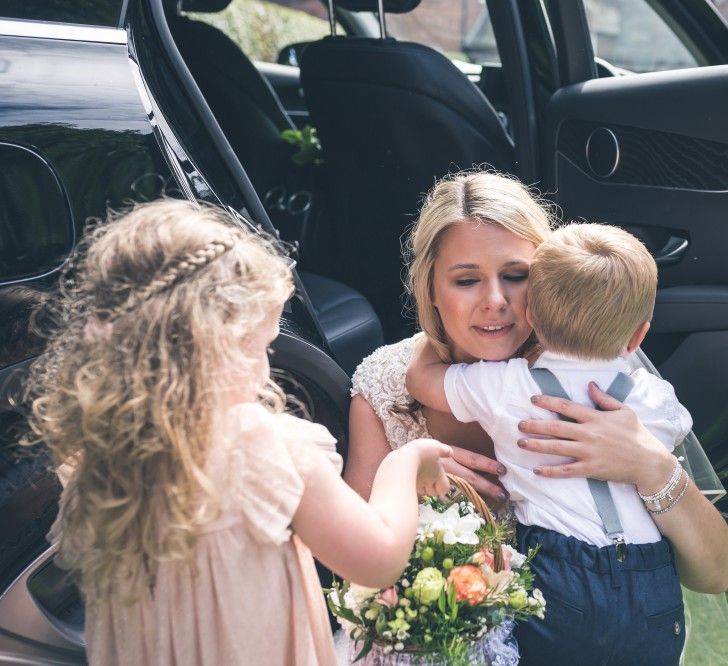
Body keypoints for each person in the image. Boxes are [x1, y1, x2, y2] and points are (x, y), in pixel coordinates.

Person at [22, 200, 452, 666]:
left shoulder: (99, 449)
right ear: (210, 347)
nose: (268, 368)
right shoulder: (264, 448)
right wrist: (404, 463)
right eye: (259, 347)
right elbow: (379, 559)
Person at [346, 171, 728, 664]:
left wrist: (652, 467)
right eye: (466, 280)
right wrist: (407, 482)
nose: (496, 301)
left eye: (516, 275)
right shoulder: (384, 383)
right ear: (431, 289)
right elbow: (350, 568)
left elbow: (715, 573)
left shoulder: (596, 372)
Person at [406, 222, 694, 664]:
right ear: (639, 337)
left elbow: (422, 382)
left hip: (561, 575)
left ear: (533, 317)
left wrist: (434, 338)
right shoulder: (655, 399)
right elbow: (677, 428)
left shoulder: (505, 385)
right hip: (651, 578)